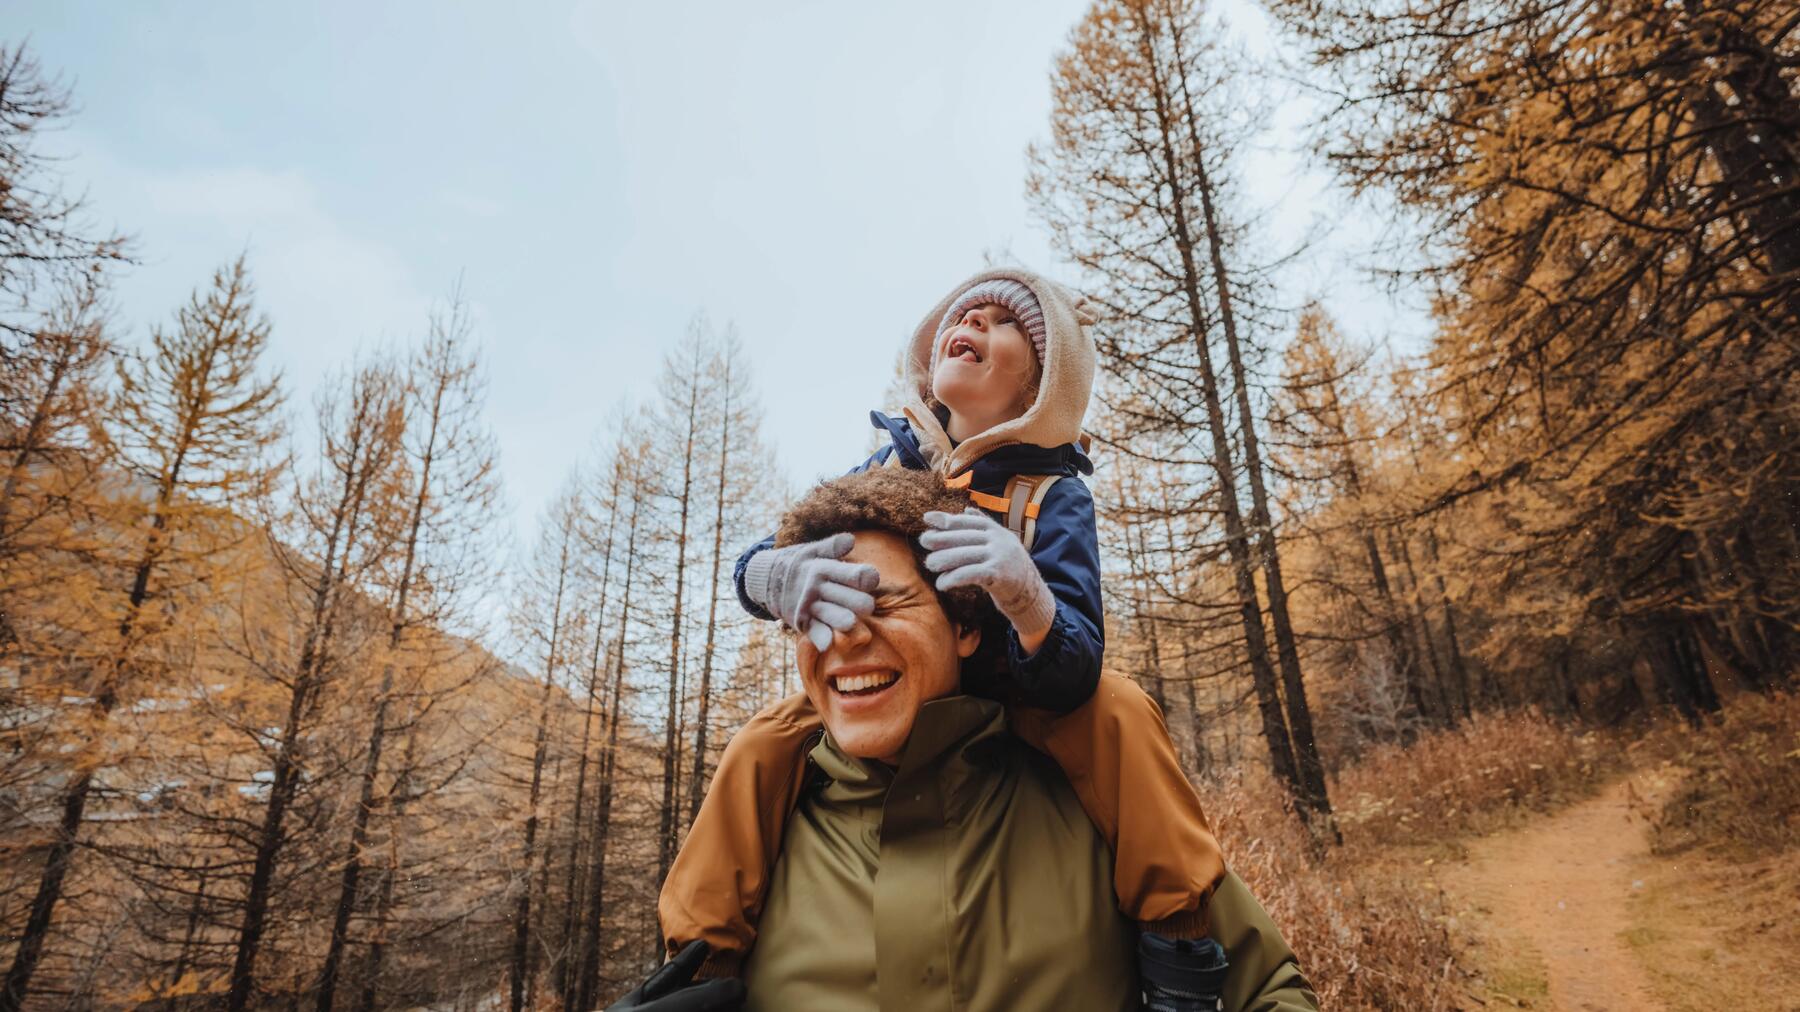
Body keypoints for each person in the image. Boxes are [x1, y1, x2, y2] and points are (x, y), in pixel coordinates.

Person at [659, 270, 1229, 1005]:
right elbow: (766, 553)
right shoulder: (885, 463)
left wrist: (1027, 598)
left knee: (1120, 714)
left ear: (1040, 382)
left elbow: (1077, 663)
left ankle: (1180, 956)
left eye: (1002, 323)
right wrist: (771, 576)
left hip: (1015, 694)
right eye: (966, 314)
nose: (973, 322)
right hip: (884, 686)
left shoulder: (1052, 496)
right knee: (759, 746)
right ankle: (696, 969)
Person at [616, 468, 1316, 1011]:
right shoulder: (765, 816)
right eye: (818, 612)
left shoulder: (1092, 780)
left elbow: (1267, 987)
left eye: (884, 600)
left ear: (966, 626)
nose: (847, 633)